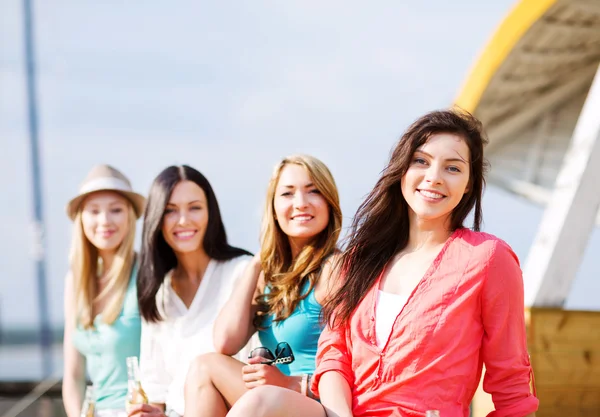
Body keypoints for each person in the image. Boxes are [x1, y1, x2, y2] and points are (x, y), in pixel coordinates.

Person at [226, 109, 539, 417]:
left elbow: (511, 384)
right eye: (421, 161)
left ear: (469, 184)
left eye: (453, 168)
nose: (434, 177)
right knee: (259, 402)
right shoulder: (362, 257)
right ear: (402, 169)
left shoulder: (487, 258)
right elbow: (334, 353)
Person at [183, 154, 342, 417]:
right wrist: (257, 264)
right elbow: (225, 343)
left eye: (313, 192)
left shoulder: (336, 268)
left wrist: (291, 383)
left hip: (320, 404)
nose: (301, 203)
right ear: (274, 209)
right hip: (273, 401)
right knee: (204, 367)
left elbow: (358, 366)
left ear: (329, 202)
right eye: (288, 194)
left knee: (261, 400)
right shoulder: (269, 275)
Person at [131, 165, 252, 417]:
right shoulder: (158, 293)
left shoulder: (242, 271)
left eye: (194, 207)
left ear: (211, 213)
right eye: (170, 211)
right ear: (156, 218)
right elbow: (157, 388)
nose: (184, 220)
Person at [62, 164, 146, 417]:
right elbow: (74, 374)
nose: (104, 221)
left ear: (130, 217)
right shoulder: (75, 281)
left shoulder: (147, 273)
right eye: (94, 211)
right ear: (81, 219)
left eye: (116, 210)